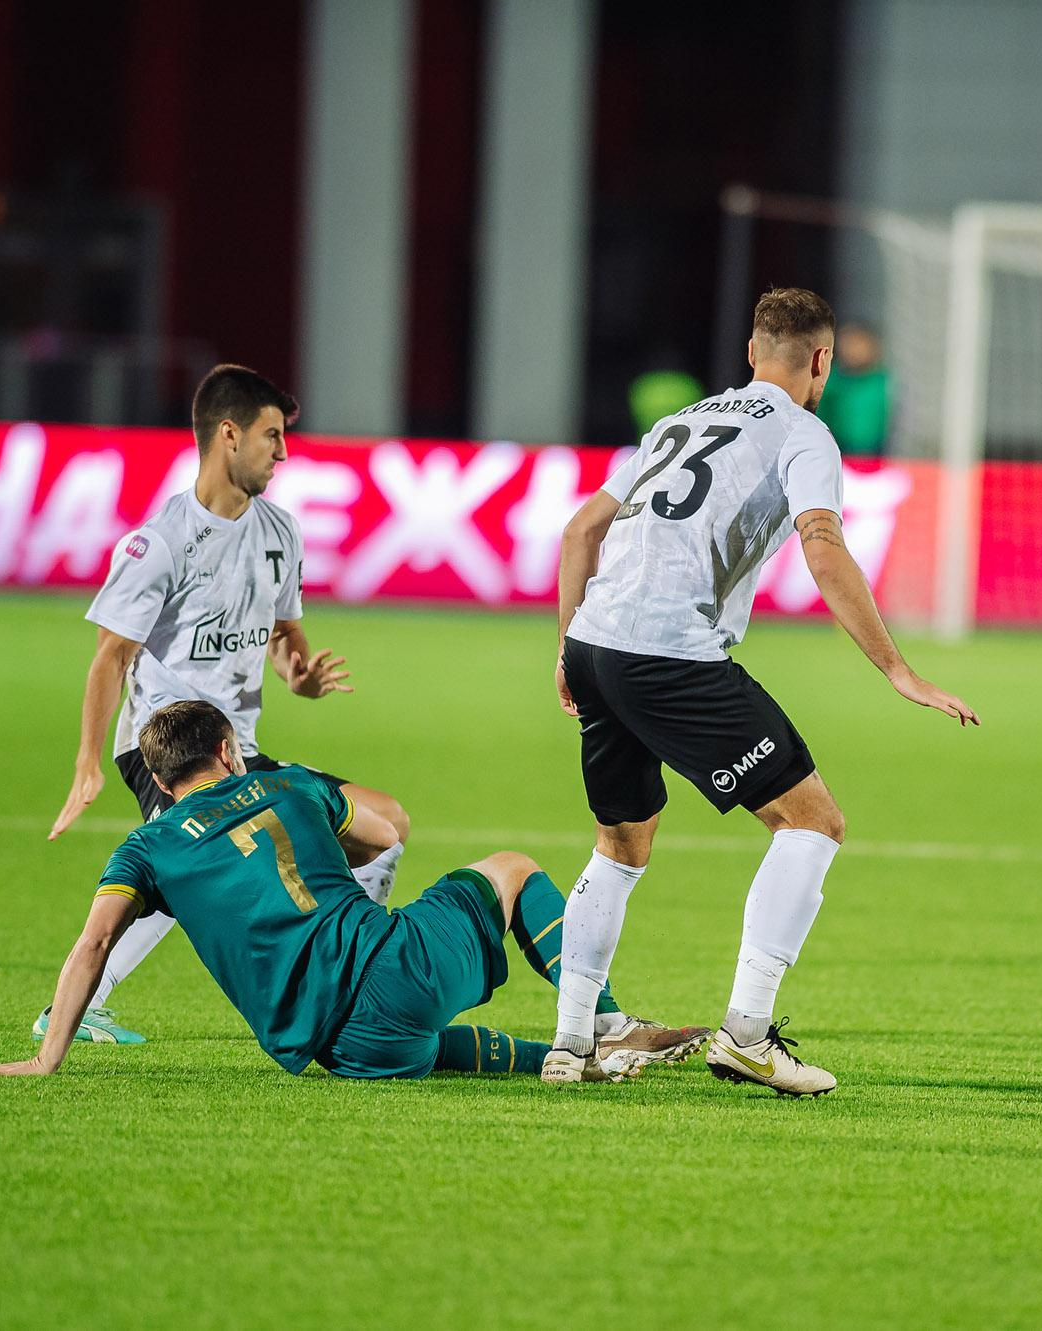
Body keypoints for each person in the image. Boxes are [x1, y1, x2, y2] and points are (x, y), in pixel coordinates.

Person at [42, 364, 700, 1067]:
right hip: (170, 747)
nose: (283, 452)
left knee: (387, 824)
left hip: (241, 746)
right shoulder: (162, 542)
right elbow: (111, 656)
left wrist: (299, 675)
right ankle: (80, 1003)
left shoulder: (279, 532)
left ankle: (355, 958)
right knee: (184, 862)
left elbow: (283, 637)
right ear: (227, 434)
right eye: (271, 436)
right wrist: (88, 762)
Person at [547, 287, 978, 1096]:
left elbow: (580, 531)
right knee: (813, 820)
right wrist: (899, 670)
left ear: (751, 352)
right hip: (670, 651)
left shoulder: (679, 422)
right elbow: (824, 548)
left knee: (620, 843)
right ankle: (747, 1035)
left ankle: (571, 1044)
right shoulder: (805, 435)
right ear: (822, 361)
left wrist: (567, 648)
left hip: (597, 643)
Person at [0, 701, 643, 1082]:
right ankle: (599, 1024)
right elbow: (383, 836)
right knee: (512, 868)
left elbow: (94, 943)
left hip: (336, 1048)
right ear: (228, 751)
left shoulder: (145, 848)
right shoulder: (288, 783)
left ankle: (559, 1062)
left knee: (414, 1040)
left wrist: (45, 1060)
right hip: (393, 966)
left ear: (159, 778)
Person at [817, 323, 891, 457]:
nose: (852, 351)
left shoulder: (883, 382)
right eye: (847, 345)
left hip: (877, 453)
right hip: (837, 450)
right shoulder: (829, 380)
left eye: (858, 345)